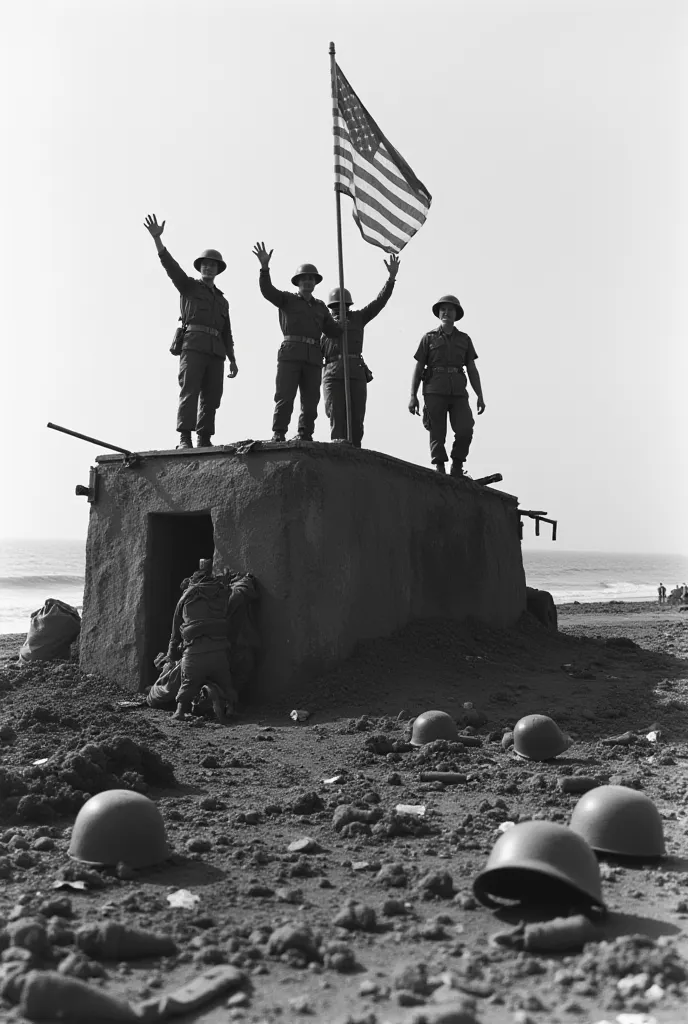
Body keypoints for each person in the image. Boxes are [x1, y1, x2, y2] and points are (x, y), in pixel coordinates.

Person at [144, 214, 238, 449]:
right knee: (190, 391)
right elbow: (171, 267)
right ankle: (185, 438)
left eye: (213, 264)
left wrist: (233, 359)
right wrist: (158, 240)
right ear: (200, 267)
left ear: (218, 269)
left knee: (212, 397)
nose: (209, 267)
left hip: (216, 352)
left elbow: (227, 333)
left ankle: (204, 438)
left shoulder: (223, 301)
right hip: (193, 346)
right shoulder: (188, 286)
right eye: (205, 264)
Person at [252, 241, 342, 441]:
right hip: (291, 354)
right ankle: (279, 433)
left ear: (315, 283)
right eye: (304, 279)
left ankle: (305, 434)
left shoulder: (321, 308)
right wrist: (264, 268)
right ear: (298, 282)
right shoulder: (287, 300)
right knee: (285, 396)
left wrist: (344, 314)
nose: (308, 282)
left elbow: (334, 331)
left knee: (311, 400)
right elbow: (267, 291)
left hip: (313, 359)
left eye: (311, 279)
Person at [166, 559, 258, 723]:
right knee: (227, 684)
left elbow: (175, 634)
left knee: (187, 684)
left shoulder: (185, 599)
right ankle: (230, 708)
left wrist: (171, 655)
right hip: (219, 654)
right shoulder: (221, 594)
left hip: (194, 656)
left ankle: (180, 711)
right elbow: (234, 592)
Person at [321, 255, 399, 447]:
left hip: (355, 370)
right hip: (332, 372)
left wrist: (391, 279)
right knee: (336, 415)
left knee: (356, 417)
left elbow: (379, 302)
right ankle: (338, 452)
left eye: (343, 305)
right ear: (330, 308)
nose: (339, 309)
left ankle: (356, 453)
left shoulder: (358, 318)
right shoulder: (321, 321)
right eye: (335, 306)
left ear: (348, 305)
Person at [409, 294, 485, 476]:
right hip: (434, 389)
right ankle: (440, 466)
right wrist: (413, 395)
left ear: (456, 314)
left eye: (450, 310)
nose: (446, 313)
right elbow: (419, 367)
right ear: (438, 313)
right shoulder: (428, 338)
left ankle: (457, 464)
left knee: (466, 428)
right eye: (443, 309)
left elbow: (472, 369)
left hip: (458, 391)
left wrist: (480, 395)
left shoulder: (464, 339)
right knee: (437, 431)